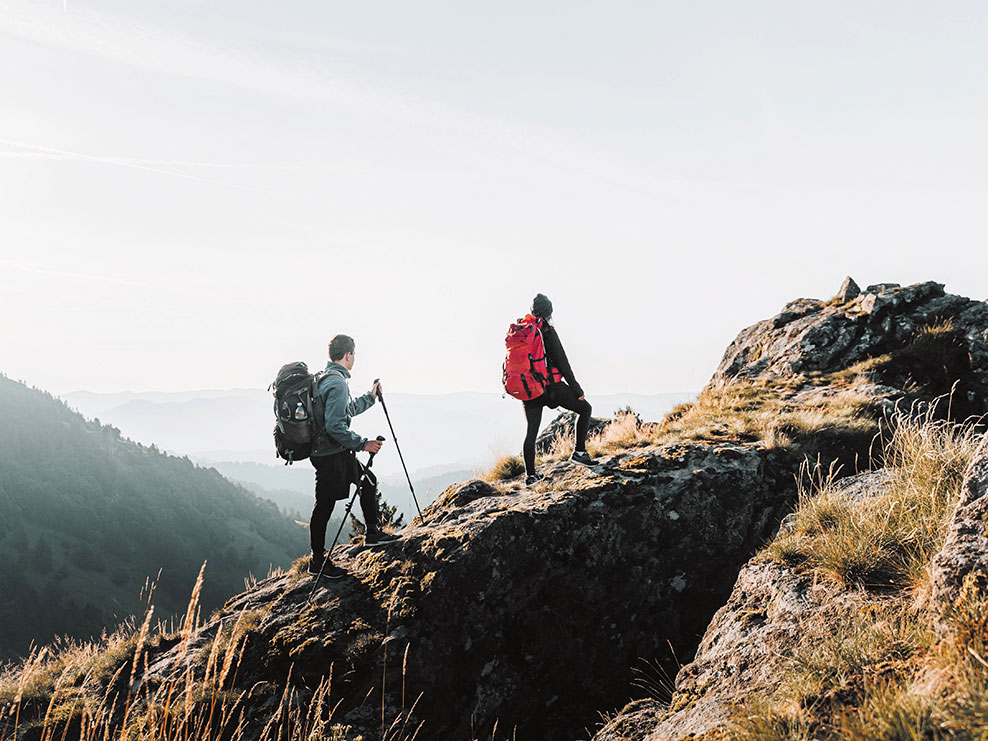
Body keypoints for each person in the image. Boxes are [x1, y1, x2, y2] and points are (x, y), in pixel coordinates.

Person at [308, 334, 400, 580]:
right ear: (348, 355)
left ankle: (372, 533)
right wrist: (363, 444)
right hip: (331, 454)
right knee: (325, 504)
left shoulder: (326, 378)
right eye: (354, 354)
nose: (355, 358)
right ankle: (317, 561)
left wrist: (370, 397)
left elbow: (344, 411)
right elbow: (335, 426)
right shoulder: (337, 383)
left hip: (330, 451)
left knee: (367, 481)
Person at [522, 294, 596, 487]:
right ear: (549, 312)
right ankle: (579, 453)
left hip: (530, 390)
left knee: (531, 432)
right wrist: (577, 389)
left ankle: (530, 476)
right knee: (585, 409)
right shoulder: (547, 331)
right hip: (551, 387)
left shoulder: (524, 332)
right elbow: (563, 364)